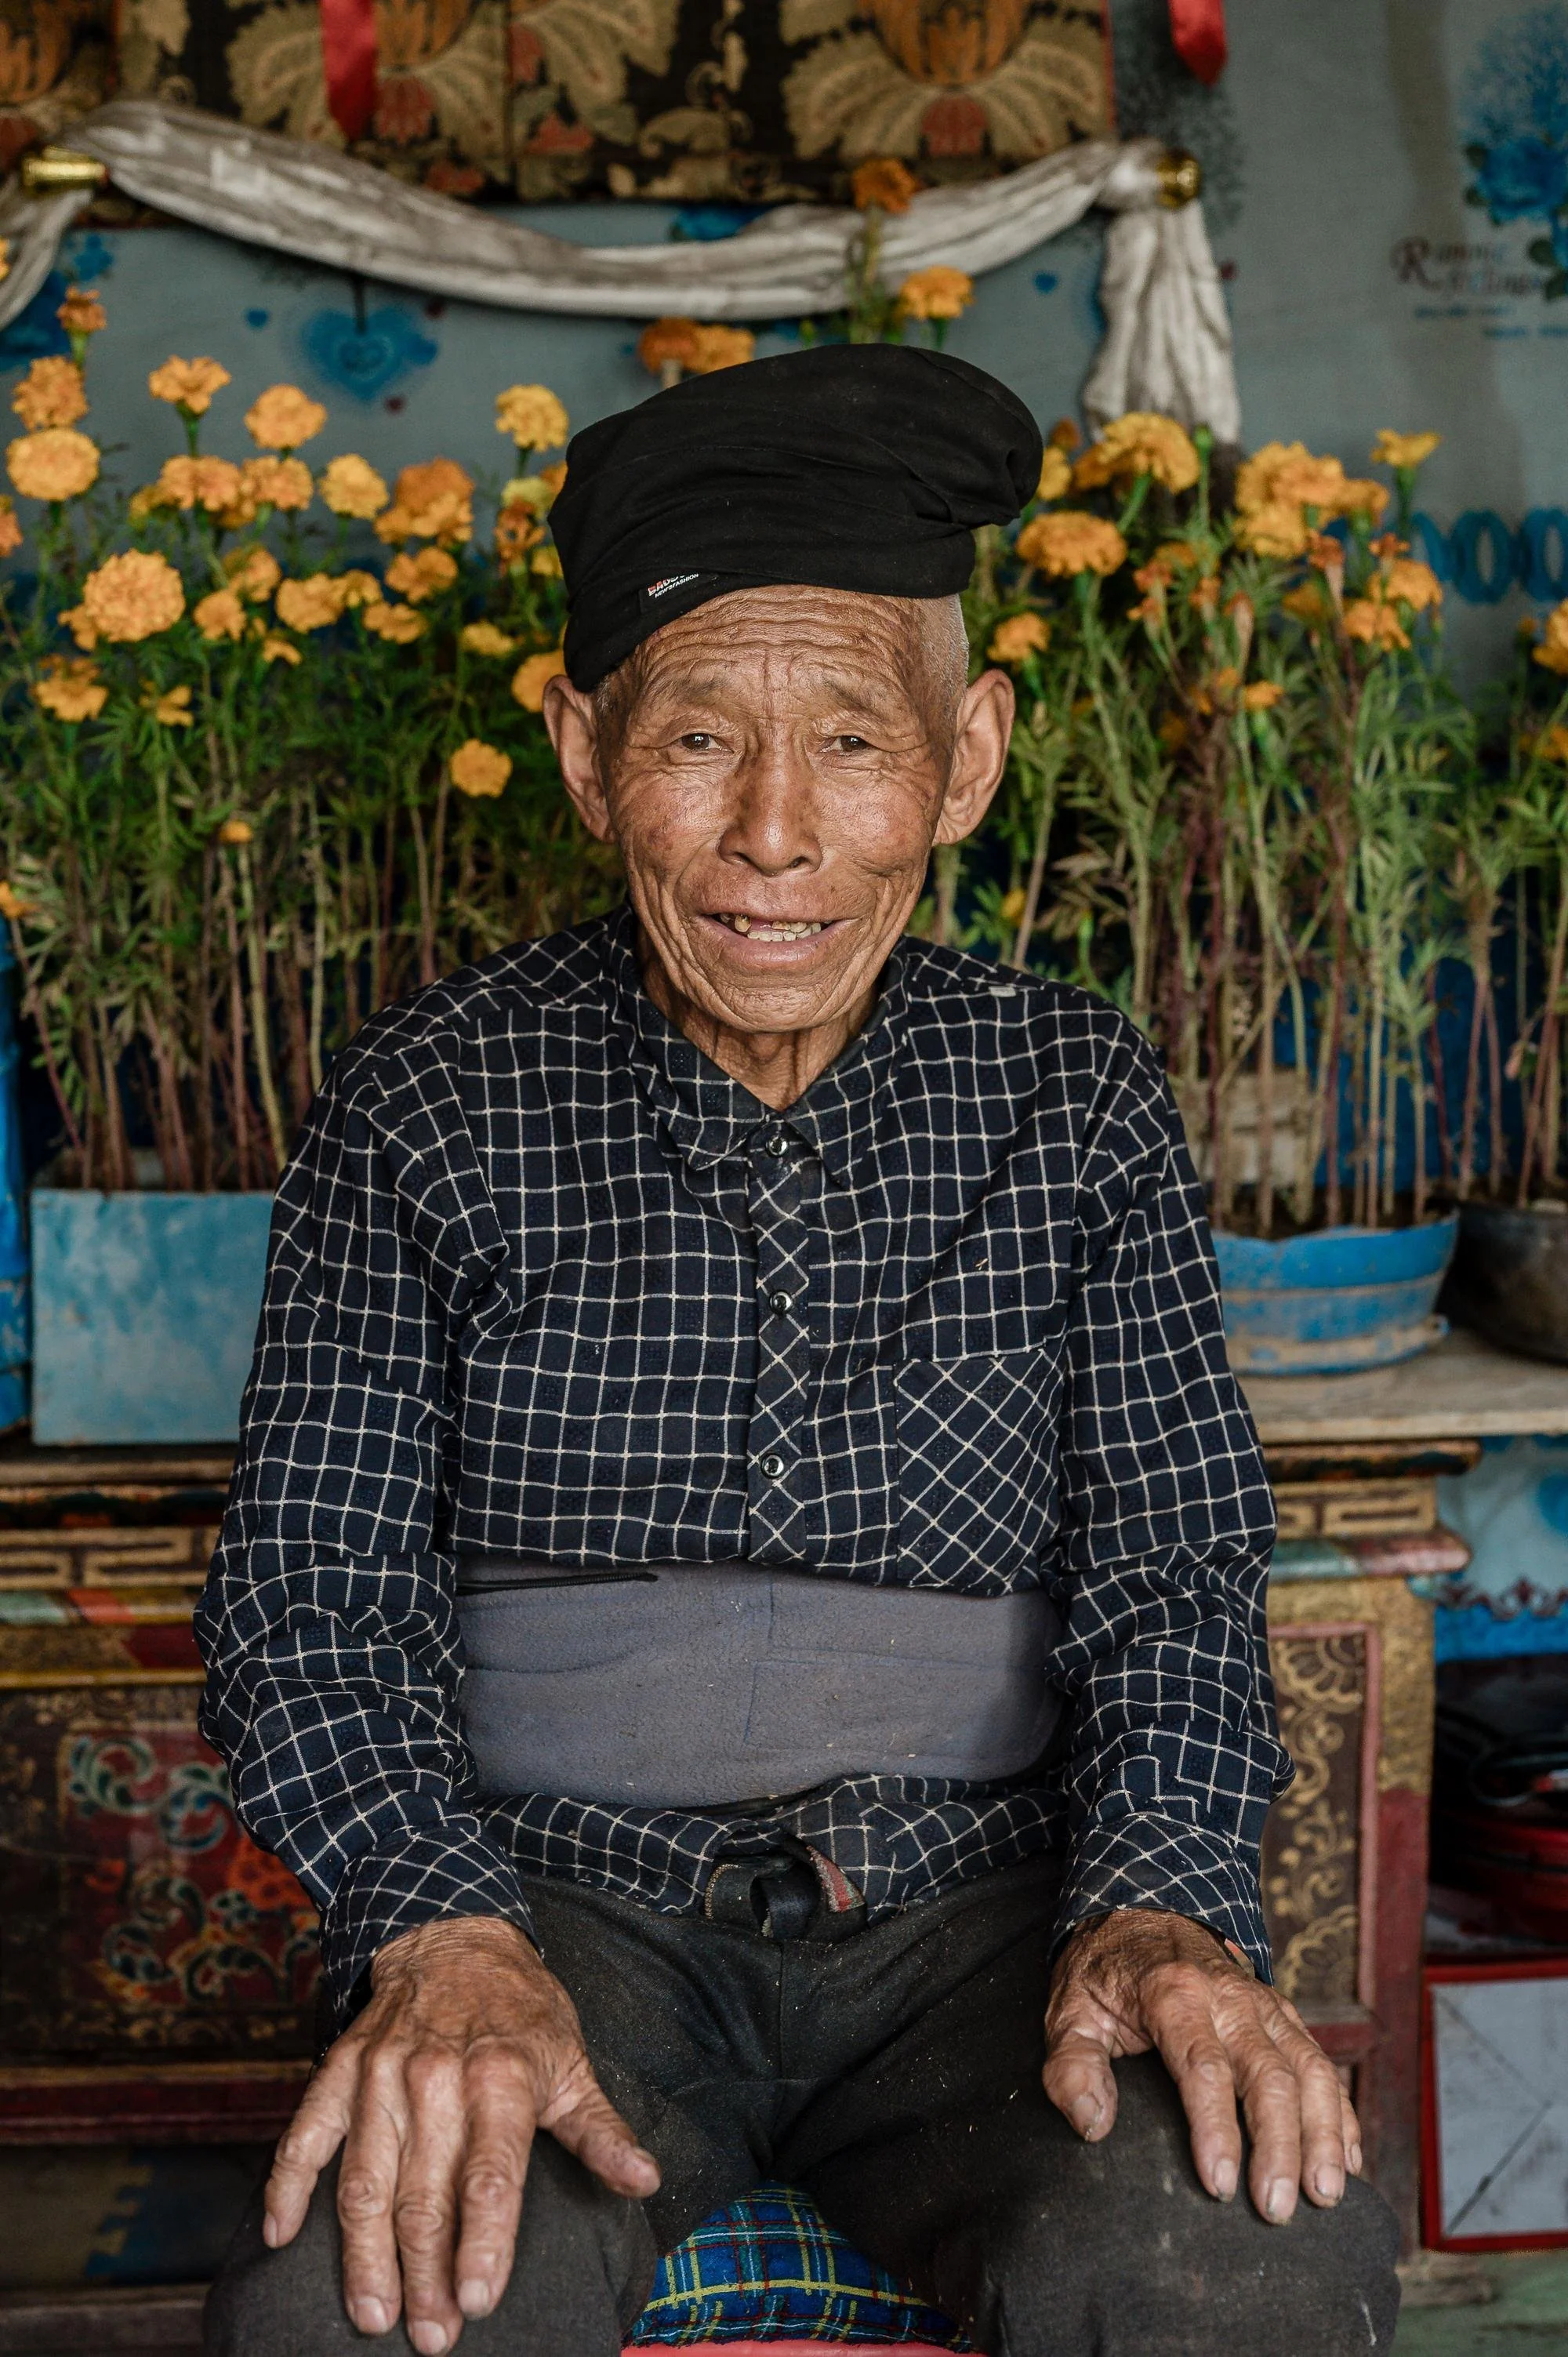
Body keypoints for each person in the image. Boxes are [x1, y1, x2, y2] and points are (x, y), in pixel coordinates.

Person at [200, 345, 1400, 2357]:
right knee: (360, 2309)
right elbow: (312, 1595)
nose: (774, 835)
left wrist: (1168, 1904)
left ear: (971, 756)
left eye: (853, 740)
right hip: (549, 1915)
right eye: (696, 742)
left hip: (981, 1935)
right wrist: (439, 1928)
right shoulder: (426, 1101)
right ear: (585, 755)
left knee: (1243, 2253)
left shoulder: (1070, 1100)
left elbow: (1181, 1575)